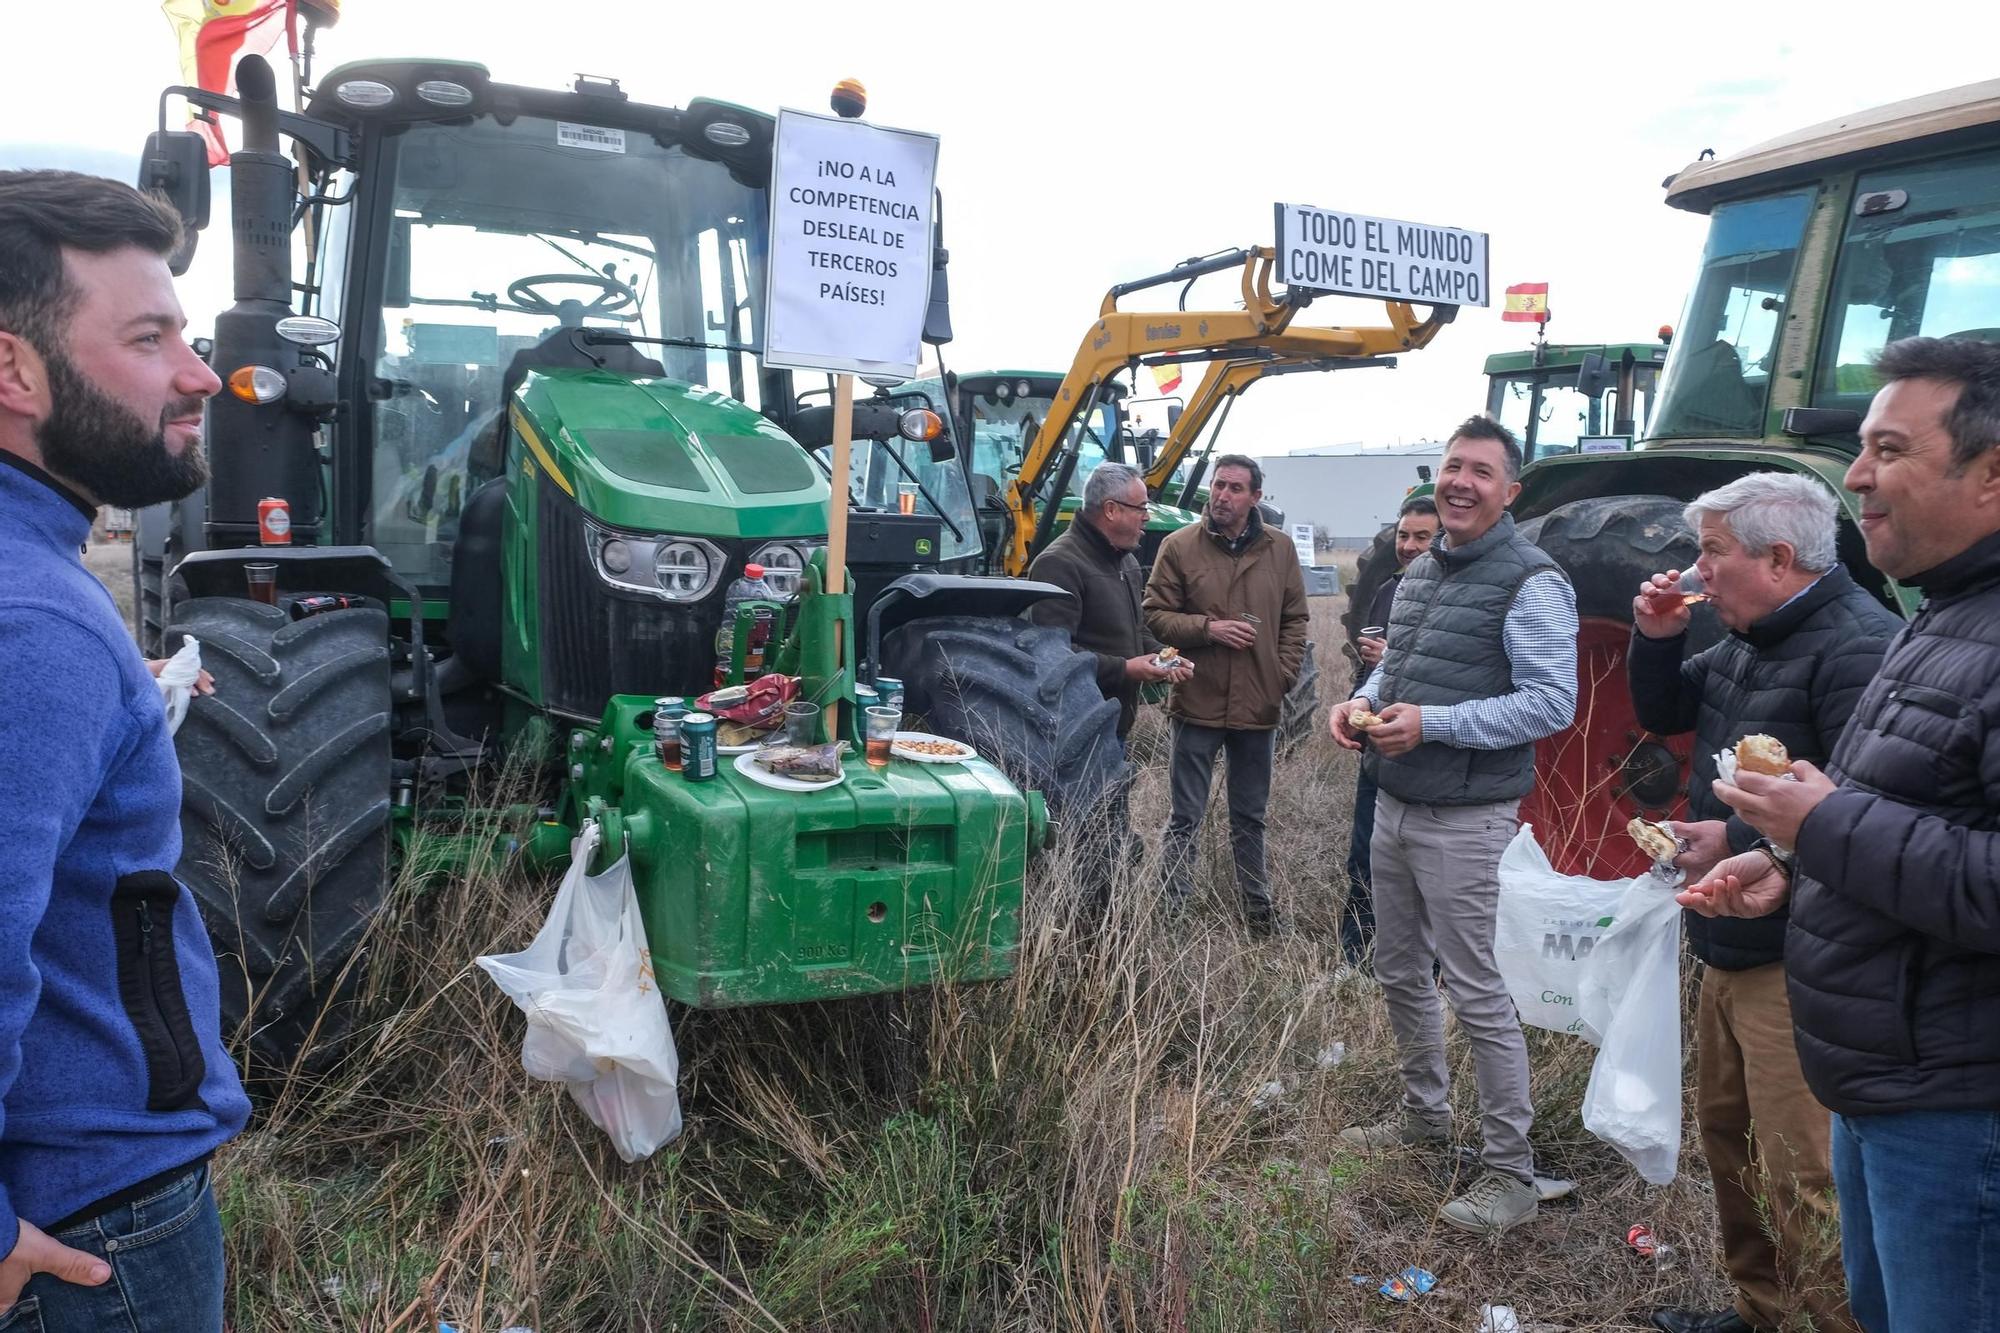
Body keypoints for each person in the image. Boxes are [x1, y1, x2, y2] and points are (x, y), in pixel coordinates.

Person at [1680, 336, 2000, 1333]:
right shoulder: (1940, 619)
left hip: (1958, 1114)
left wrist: (1821, 823)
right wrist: (1785, 859)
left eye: (1889, 449)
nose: (1853, 477)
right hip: (1889, 1090)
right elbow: (1919, 815)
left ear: (1989, 475)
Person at [0, 170, 249, 1329]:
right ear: (15, 370)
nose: (200, 374)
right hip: (90, 1225)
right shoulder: (35, 619)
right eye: (149, 337)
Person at [1629, 473, 1894, 1333]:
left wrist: (1741, 849)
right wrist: (1658, 637)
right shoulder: (1752, 636)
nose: (1696, 572)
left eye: (1710, 552)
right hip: (1730, 934)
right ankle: (1763, 1310)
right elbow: (1669, 708)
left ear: (1778, 559)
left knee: (1801, 1171)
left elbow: (1867, 817)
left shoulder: (1856, 650)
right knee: (1730, 1139)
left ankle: (1827, 1322)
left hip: (1801, 960)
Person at [1330, 416, 1578, 1236]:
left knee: (1476, 990)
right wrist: (1361, 701)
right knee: (1400, 969)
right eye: (1451, 466)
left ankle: (1509, 1172)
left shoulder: (1533, 579)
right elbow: (1397, 664)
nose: (1460, 481)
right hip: (1396, 801)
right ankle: (1423, 1117)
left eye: (1480, 470)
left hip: (1468, 817)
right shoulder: (1425, 570)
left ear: (1511, 491)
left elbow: (1551, 702)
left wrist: (1433, 723)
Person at [1143, 453, 1309, 934]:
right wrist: (1208, 629)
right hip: (1197, 698)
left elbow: (1295, 618)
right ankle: (1171, 913)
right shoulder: (1179, 546)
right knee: (1185, 816)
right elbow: (1154, 613)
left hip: (1259, 702)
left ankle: (1258, 912)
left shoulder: (1279, 549)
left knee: (1250, 817)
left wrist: (1283, 675)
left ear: (1255, 497)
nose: (1222, 495)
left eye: (1236, 488)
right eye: (1218, 485)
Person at [1028, 462, 1190, 909]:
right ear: (1112, 510)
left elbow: (1133, 632)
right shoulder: (1059, 564)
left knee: (1109, 826)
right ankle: (1078, 914)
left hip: (1112, 724)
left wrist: (1162, 655)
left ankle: (1105, 910)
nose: (1147, 518)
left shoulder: (1125, 562)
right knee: (1082, 832)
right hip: (1074, 732)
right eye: (1141, 508)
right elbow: (1050, 656)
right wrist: (1126, 670)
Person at [1339, 495, 1438, 971]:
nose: (1409, 545)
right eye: (1404, 535)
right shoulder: (1387, 590)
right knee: (1364, 853)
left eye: (1423, 536)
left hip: (1422, 747)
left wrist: (1392, 663)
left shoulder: (1449, 597)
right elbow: (1370, 665)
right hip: (1377, 746)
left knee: (1423, 866)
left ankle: (1427, 965)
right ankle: (1356, 958)